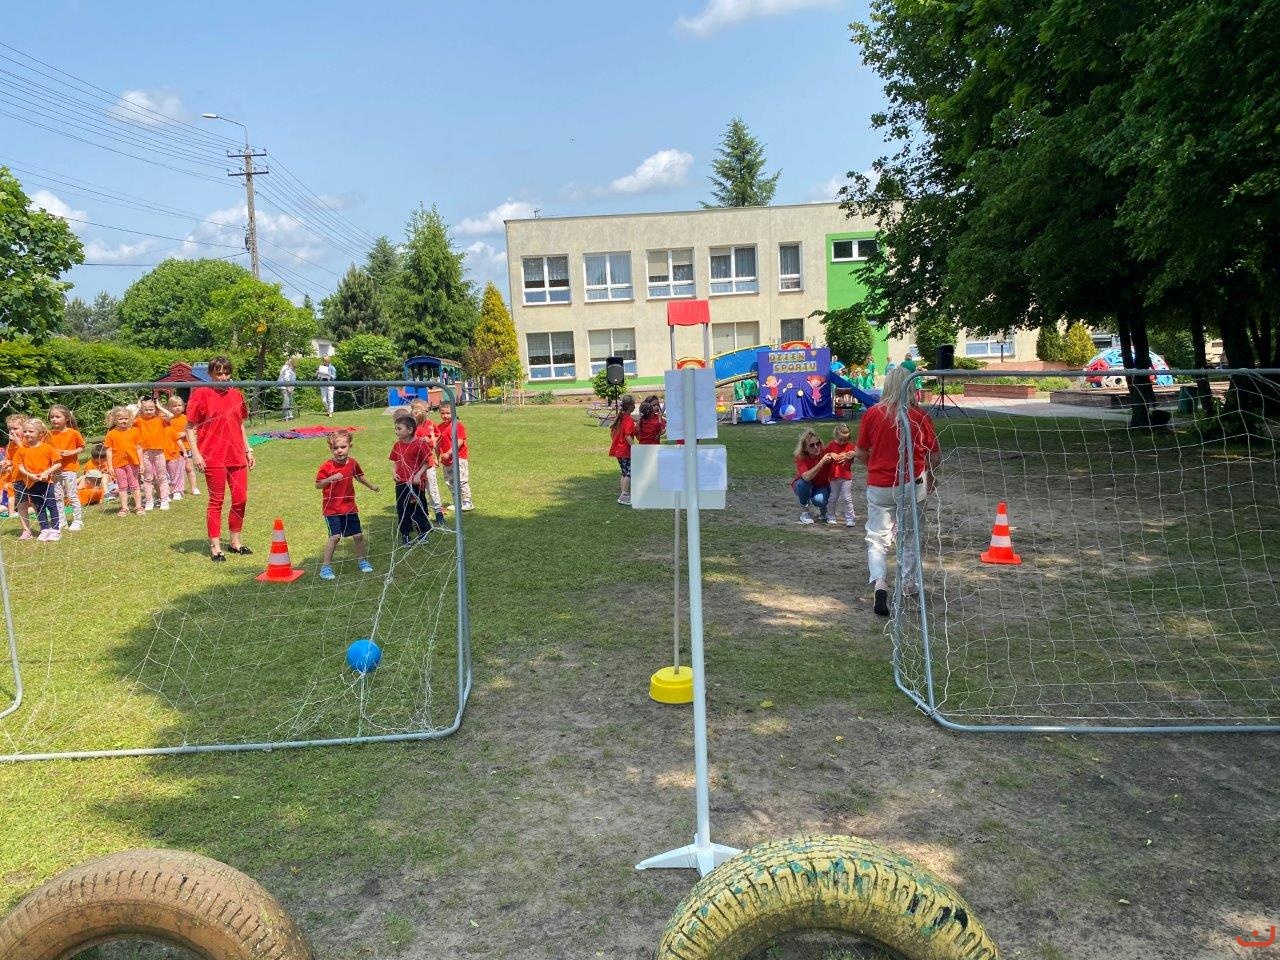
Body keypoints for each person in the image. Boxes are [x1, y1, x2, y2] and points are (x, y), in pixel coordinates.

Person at [854, 364, 941, 617]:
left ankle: (880, 581)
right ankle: (907, 583)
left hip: (879, 484)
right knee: (910, 534)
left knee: (876, 537)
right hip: (911, 483)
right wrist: (930, 475)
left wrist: (875, 466)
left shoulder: (872, 414)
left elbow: (860, 452)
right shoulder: (919, 417)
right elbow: (934, 456)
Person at [187, 356, 255, 562]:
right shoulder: (201, 394)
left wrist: (248, 449)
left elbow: (240, 424)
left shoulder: (237, 394)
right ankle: (215, 547)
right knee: (216, 500)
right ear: (210, 374)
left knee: (241, 499)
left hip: (237, 454)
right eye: (218, 373)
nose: (223, 377)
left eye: (226, 373)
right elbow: (190, 427)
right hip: (213, 455)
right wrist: (195, 453)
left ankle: (235, 542)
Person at [315, 429, 379, 580]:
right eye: (335, 448)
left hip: (349, 507)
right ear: (331, 449)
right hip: (332, 509)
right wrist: (330, 479)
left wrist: (371, 486)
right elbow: (318, 485)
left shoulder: (352, 463)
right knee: (335, 537)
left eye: (343, 447)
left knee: (358, 535)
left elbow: (359, 476)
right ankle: (325, 567)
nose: (339, 450)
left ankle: (362, 561)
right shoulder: (327, 466)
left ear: (350, 446)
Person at [16, 418, 62, 541]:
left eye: (31, 431)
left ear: (40, 434)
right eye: (25, 431)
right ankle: (44, 529)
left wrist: (46, 472)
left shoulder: (47, 448)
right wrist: (30, 475)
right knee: (38, 506)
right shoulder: (22, 449)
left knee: (51, 505)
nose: (27, 434)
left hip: (47, 482)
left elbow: (58, 464)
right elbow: (20, 467)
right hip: (32, 483)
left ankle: (56, 530)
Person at [389, 413, 431, 544]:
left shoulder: (420, 444)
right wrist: (394, 473)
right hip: (401, 483)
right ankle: (405, 535)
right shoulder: (397, 445)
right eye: (395, 429)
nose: (396, 431)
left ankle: (423, 533)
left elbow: (426, 462)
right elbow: (394, 462)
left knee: (419, 508)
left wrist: (418, 474)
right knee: (403, 509)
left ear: (410, 430)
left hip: (416, 483)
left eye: (399, 428)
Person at [47, 404, 86, 532]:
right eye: (52, 417)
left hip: (69, 469)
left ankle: (77, 520)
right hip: (54, 469)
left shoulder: (73, 433)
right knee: (57, 496)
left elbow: (82, 447)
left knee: (72, 494)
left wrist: (71, 452)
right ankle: (61, 521)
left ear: (67, 418)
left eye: (57, 417)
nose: (54, 419)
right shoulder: (48, 434)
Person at [409, 398, 445, 525]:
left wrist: (430, 441)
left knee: (432, 486)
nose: (427, 413)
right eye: (425, 410)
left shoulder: (430, 423)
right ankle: (422, 513)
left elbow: (437, 435)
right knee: (418, 489)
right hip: (415, 464)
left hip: (428, 462)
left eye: (427, 411)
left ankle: (438, 512)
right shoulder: (410, 425)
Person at [103, 406, 144, 517]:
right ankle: (124, 508)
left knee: (134, 484)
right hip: (118, 464)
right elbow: (109, 450)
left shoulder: (134, 431)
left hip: (132, 463)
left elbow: (139, 448)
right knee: (122, 486)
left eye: (126, 418)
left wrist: (141, 463)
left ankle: (138, 506)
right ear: (115, 420)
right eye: (120, 419)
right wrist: (110, 466)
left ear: (129, 419)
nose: (124, 421)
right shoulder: (111, 434)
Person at [134, 397, 172, 511]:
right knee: (147, 478)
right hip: (145, 453)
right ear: (142, 410)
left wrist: (159, 406)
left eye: (151, 409)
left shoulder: (159, 419)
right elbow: (130, 420)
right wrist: (138, 408)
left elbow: (170, 415)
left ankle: (164, 500)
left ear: (155, 409)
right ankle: (149, 501)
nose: (149, 411)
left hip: (159, 453)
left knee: (162, 477)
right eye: (146, 410)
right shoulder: (139, 420)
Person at [436, 401, 473, 512]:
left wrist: (449, 453)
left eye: (448, 413)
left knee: (461, 480)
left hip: (459, 458)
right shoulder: (439, 427)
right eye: (442, 413)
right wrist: (436, 458)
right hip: (446, 461)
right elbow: (437, 444)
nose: (445, 416)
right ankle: (457, 502)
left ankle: (467, 502)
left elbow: (460, 441)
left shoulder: (457, 425)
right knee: (450, 482)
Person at [792, 428, 835, 525]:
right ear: (805, 448)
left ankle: (823, 508)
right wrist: (821, 462)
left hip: (821, 485)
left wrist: (850, 456)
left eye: (818, 443)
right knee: (802, 483)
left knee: (819, 500)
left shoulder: (826, 453)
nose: (816, 447)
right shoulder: (801, 457)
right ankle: (805, 512)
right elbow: (806, 477)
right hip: (805, 484)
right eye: (811, 445)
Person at [825, 423, 858, 527]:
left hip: (846, 476)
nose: (843, 442)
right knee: (833, 497)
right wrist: (831, 454)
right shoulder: (831, 445)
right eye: (840, 440)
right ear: (836, 436)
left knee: (847, 498)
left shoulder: (850, 446)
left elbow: (853, 457)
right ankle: (830, 516)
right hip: (834, 476)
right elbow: (825, 455)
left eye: (845, 440)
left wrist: (849, 456)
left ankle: (850, 518)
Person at [166, 395, 199, 498]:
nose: (177, 408)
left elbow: (194, 430)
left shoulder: (186, 418)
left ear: (183, 406)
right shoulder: (168, 420)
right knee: (174, 471)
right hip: (173, 448)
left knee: (189, 467)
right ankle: (176, 490)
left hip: (186, 447)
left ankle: (194, 487)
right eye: (174, 406)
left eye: (179, 405)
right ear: (169, 408)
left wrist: (184, 433)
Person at [4, 413, 31, 536]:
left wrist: (19, 443)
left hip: (31, 478)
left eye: (15, 428)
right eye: (10, 429)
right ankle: (26, 530)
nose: (12, 431)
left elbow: (29, 455)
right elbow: (10, 460)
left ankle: (45, 528)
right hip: (17, 479)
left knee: (35, 503)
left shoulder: (29, 441)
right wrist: (6, 463)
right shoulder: (10, 445)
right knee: (21, 505)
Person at [609, 394, 638, 505]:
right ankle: (624, 495)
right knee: (630, 472)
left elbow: (612, 434)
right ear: (630, 406)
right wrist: (635, 447)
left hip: (618, 451)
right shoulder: (628, 420)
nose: (635, 406)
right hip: (625, 451)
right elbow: (627, 436)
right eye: (634, 404)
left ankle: (623, 493)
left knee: (624, 472)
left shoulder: (621, 418)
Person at [277, 356, 298, 422]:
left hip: (290, 386)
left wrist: (292, 388)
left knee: (290, 401)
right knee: (286, 401)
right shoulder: (285, 367)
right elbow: (286, 378)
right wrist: (288, 388)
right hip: (283, 386)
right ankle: (285, 416)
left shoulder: (292, 369)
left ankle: (290, 414)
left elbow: (293, 379)